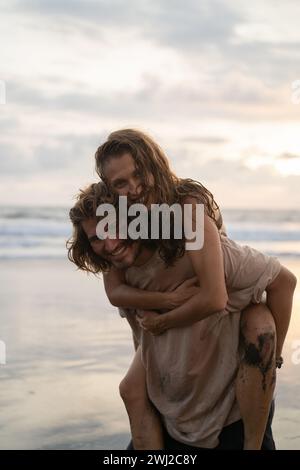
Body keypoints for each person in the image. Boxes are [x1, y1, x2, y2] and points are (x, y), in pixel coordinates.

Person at [67, 182, 296, 450]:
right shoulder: (122, 268)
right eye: (96, 238)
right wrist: (168, 303)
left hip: (229, 405)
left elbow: (283, 282)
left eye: (114, 228)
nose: (110, 243)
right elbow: (134, 324)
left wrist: (276, 357)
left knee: (261, 325)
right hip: (173, 406)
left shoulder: (205, 251)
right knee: (130, 389)